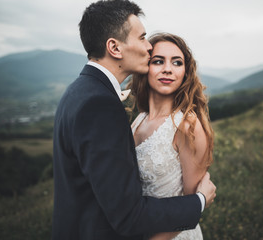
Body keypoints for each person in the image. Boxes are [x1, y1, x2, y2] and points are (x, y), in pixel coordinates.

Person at [52, 1, 216, 239]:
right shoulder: (107, 108)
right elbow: (127, 213)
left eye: (177, 62)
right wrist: (199, 202)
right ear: (114, 48)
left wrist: (194, 203)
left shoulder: (78, 91)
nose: (148, 47)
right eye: (142, 38)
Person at [129, 33, 214, 240]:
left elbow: (191, 206)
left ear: (185, 72)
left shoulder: (186, 125)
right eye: (158, 61)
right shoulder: (139, 121)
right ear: (145, 68)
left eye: (177, 62)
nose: (167, 69)